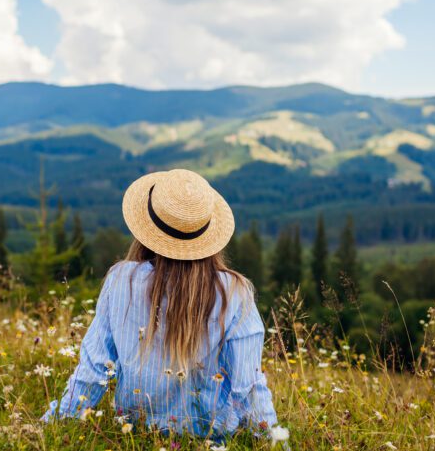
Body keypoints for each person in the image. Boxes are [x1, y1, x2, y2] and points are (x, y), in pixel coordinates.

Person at [42, 169, 278, 436]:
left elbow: (93, 370)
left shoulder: (122, 280)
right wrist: (279, 450)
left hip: (136, 433)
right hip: (212, 441)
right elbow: (249, 388)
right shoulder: (233, 292)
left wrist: (51, 427)